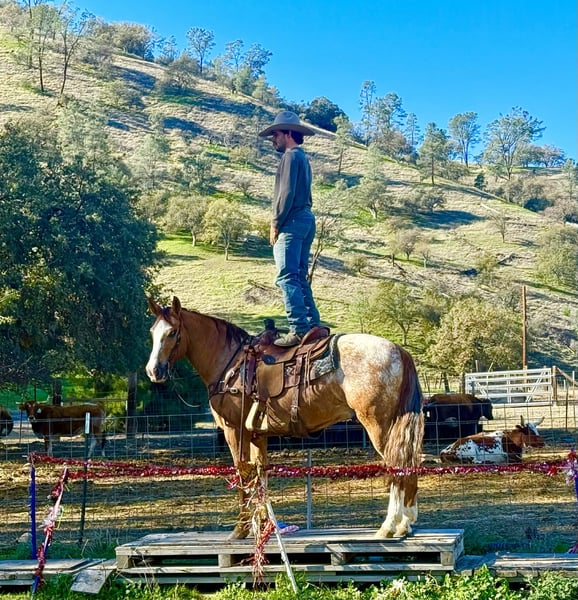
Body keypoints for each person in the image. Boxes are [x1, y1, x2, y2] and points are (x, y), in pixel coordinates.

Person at [258, 111, 321, 347]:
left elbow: (285, 193)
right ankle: (313, 325)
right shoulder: (302, 158)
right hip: (306, 218)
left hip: (292, 220)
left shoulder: (289, 157)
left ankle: (299, 329)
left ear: (288, 133)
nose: (273, 139)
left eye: (275, 134)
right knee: (299, 275)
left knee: (286, 276)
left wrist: (275, 223)